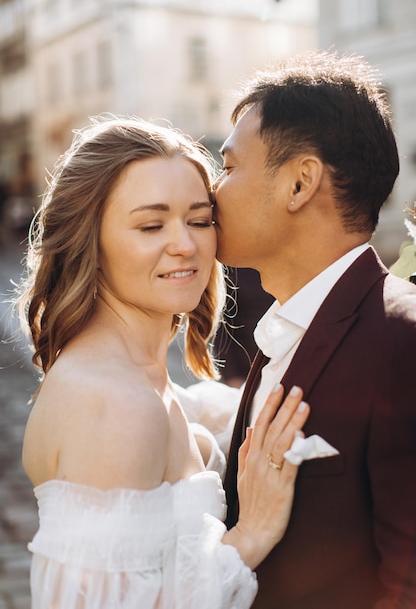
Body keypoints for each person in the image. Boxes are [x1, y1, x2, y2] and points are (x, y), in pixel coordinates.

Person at [17, 115, 311, 608]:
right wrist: (252, 536)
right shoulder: (118, 406)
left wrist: (212, 418)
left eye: (199, 220)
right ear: (90, 240)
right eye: (151, 225)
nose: (186, 244)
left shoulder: (135, 379)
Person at [213, 50, 416, 608]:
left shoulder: (405, 339)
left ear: (300, 183)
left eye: (228, 168)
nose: (212, 193)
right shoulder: (281, 328)